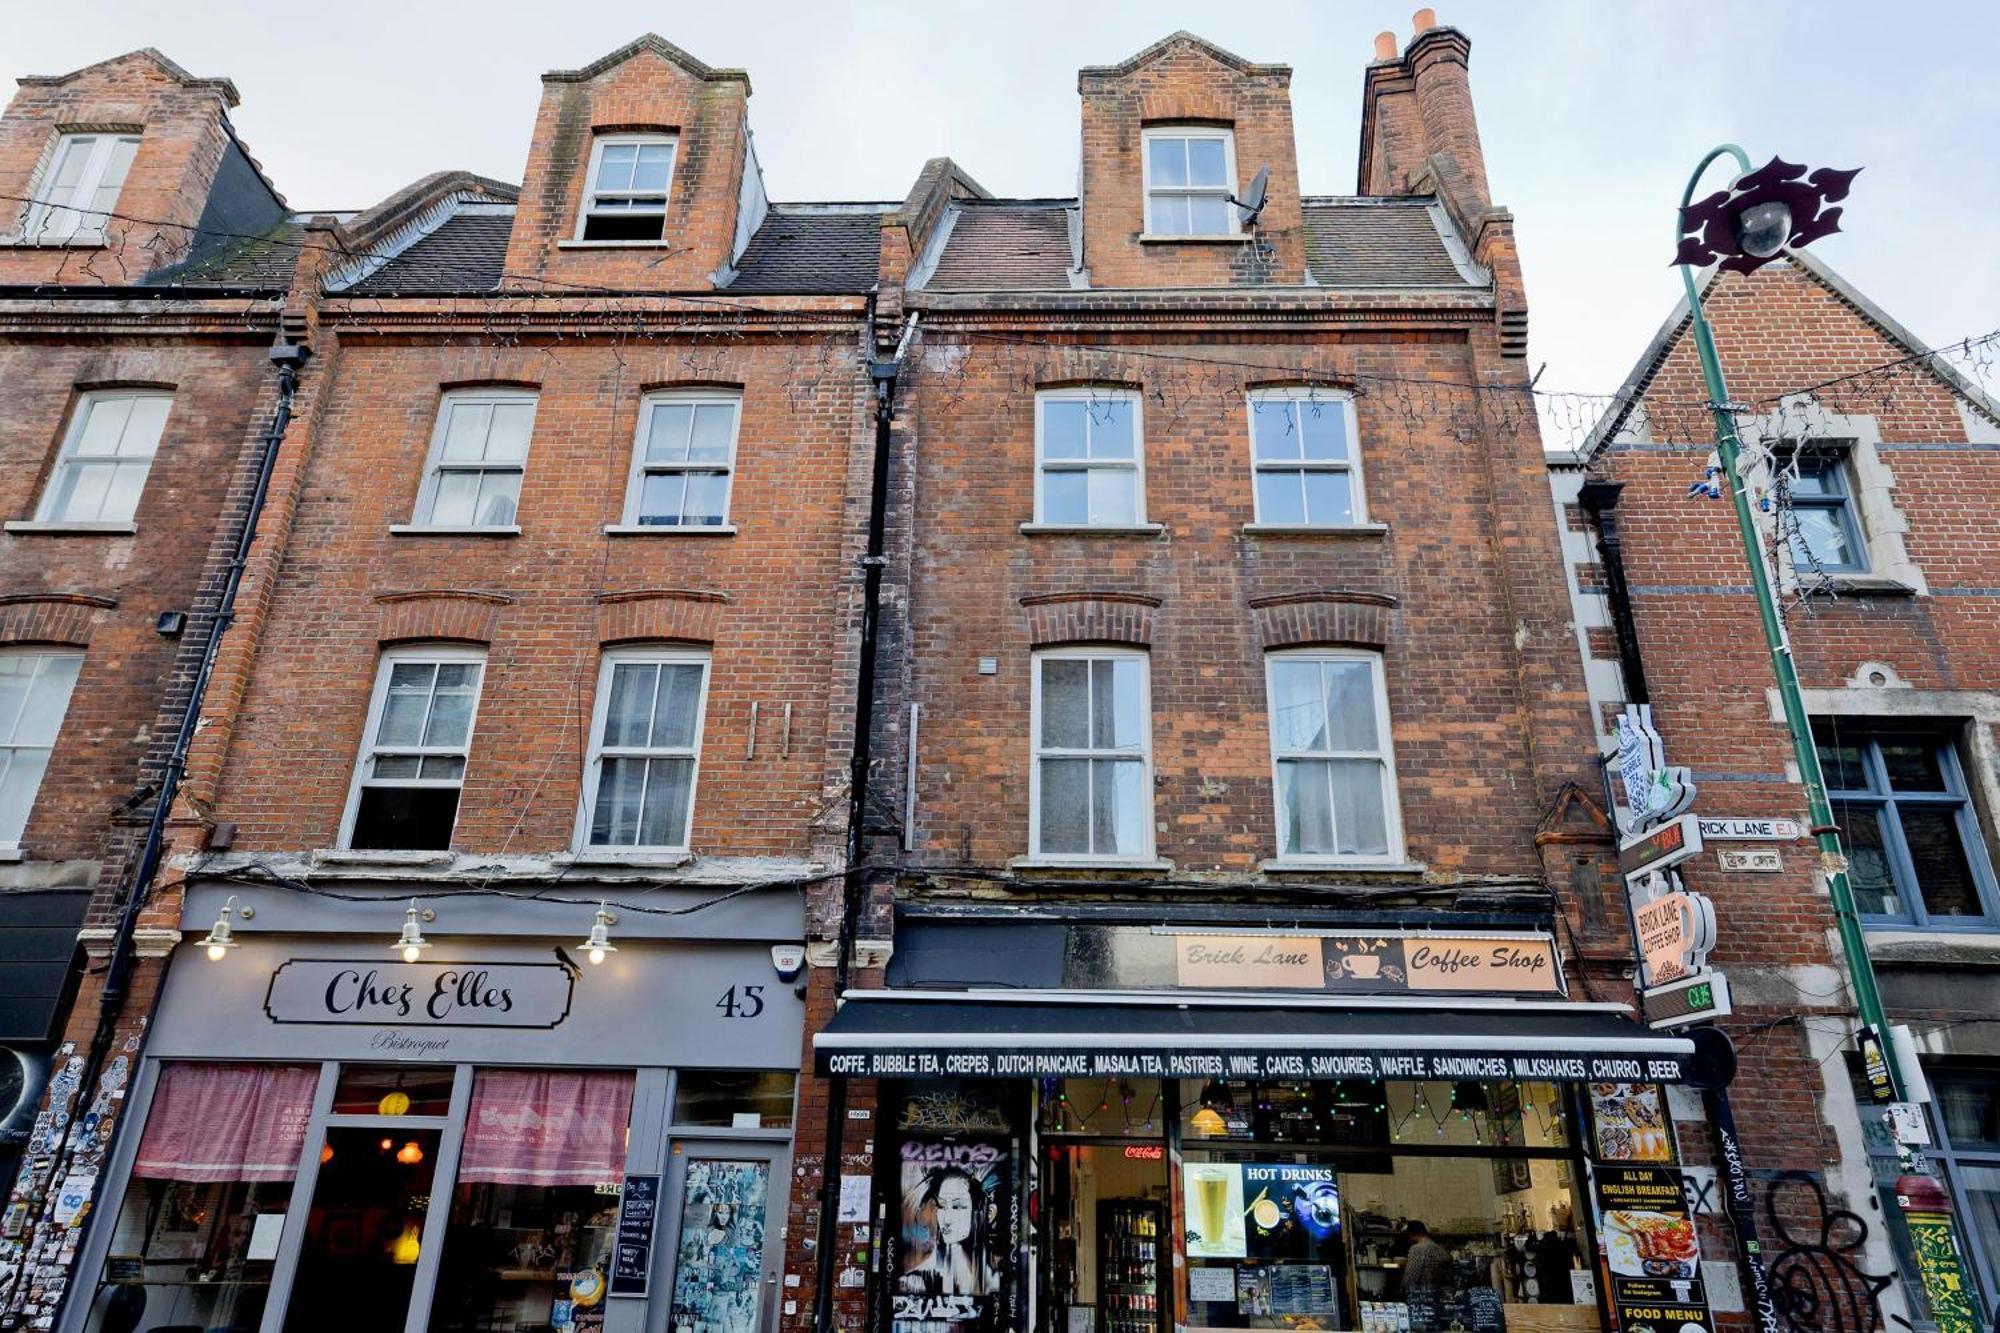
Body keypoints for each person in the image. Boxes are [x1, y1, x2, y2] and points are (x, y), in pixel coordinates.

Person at [898, 1166, 999, 1299]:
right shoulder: (918, 1281)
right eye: (941, 1206)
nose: (946, 1219)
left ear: (987, 1213)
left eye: (958, 1206)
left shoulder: (994, 1280)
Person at [1401, 1220, 1450, 1302]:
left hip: (1421, 1295)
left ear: (1411, 1234)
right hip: (1439, 1295)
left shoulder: (1417, 1249)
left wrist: (1403, 1289)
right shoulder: (1440, 1249)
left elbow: (1412, 1274)